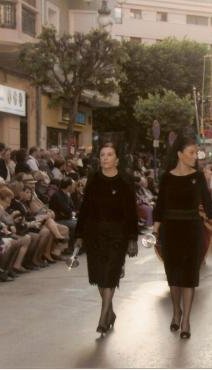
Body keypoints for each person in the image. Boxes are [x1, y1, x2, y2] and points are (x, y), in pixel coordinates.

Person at [152, 134, 212, 339]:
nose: (195, 156)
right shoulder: (166, 177)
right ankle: (176, 311)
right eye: (191, 152)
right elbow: (160, 205)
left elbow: (207, 201)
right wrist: (155, 230)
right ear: (180, 154)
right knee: (174, 277)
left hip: (192, 229)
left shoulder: (198, 177)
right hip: (170, 231)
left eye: (196, 153)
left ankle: (186, 319)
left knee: (189, 277)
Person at [74, 142, 139, 336]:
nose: (105, 158)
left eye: (109, 155)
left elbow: (131, 213)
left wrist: (132, 238)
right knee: (100, 276)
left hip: (117, 235)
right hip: (95, 235)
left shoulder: (125, 181)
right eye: (102, 155)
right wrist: (78, 235)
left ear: (117, 159)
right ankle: (110, 312)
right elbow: (84, 209)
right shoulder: (93, 180)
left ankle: (103, 317)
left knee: (110, 273)